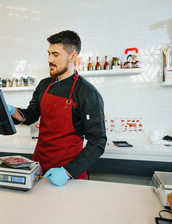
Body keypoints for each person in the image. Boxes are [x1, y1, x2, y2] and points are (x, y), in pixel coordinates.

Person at [7, 30, 107, 187]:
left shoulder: (87, 93)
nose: (49, 60)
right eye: (48, 54)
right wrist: (11, 110)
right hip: (38, 166)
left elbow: (98, 142)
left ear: (73, 56)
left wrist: (67, 172)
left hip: (68, 172)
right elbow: (31, 115)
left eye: (55, 54)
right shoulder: (44, 85)